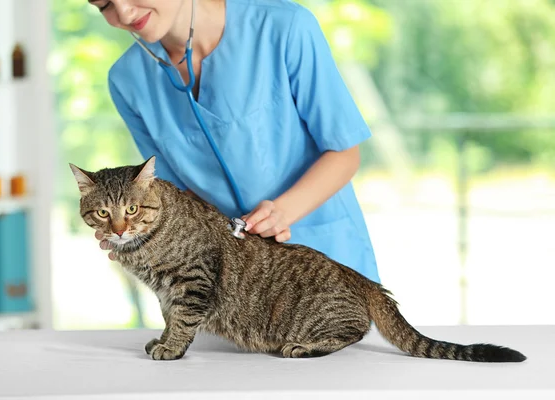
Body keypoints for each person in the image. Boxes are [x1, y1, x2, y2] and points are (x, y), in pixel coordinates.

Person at [89, 0, 381, 283]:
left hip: (326, 258)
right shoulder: (126, 79)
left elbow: (344, 153)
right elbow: (180, 195)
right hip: (230, 277)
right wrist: (140, 232)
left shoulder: (284, 26)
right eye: (104, 5)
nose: (124, 12)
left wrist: (281, 213)